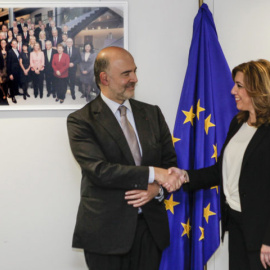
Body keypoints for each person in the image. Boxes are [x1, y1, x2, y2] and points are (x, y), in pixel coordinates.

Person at [67, 46, 181, 270]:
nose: (135, 79)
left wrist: (157, 189)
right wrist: (152, 173)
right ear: (104, 78)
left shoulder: (152, 114)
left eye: (135, 71)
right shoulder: (81, 121)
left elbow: (169, 165)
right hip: (105, 235)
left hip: (150, 230)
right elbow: (99, 171)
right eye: (126, 74)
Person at [169, 59, 270, 270]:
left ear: (258, 89)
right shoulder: (238, 123)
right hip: (235, 222)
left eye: (239, 86)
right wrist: (185, 176)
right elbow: (221, 170)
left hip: (262, 233)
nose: (233, 90)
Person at [7, 39, 21, 103]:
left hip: (18, 70)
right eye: (13, 43)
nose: (15, 45)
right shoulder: (10, 52)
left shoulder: (17, 50)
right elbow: (8, 63)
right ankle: (12, 96)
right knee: (12, 84)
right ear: (11, 44)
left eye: (16, 43)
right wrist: (10, 74)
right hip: (12, 71)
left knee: (16, 82)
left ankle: (17, 92)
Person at [0, 39, 8, 104]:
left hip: (7, 69)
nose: (3, 44)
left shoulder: (8, 51)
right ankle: (2, 95)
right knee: (1, 82)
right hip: (1, 69)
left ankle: (5, 94)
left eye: (4, 43)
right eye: (2, 43)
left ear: (6, 44)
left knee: (6, 83)